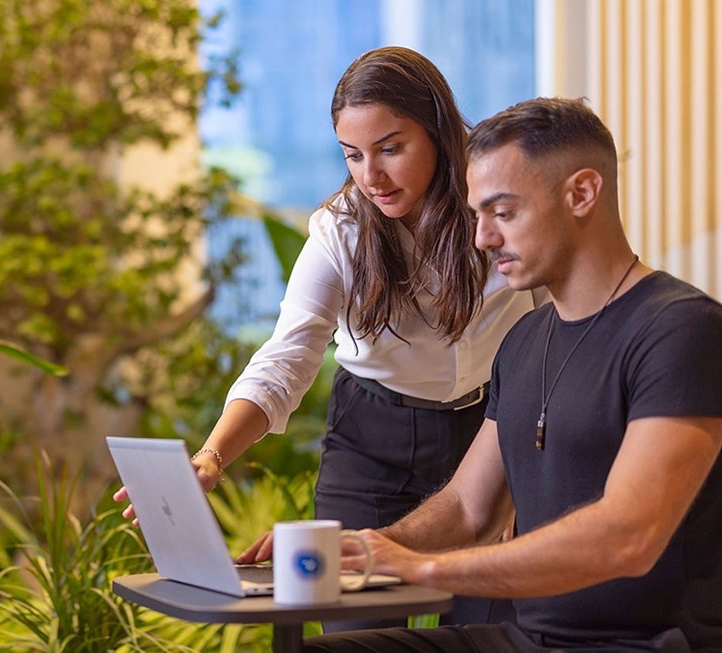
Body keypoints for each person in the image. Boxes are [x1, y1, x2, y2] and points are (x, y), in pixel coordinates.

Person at [242, 97, 722, 653]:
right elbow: (468, 507)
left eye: (503, 213)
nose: (482, 238)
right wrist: (367, 548)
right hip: (527, 638)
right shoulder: (524, 343)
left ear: (581, 193)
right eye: (477, 214)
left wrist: (423, 570)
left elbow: (627, 536)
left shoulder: (685, 332)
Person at [115, 45, 532, 629]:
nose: (372, 176)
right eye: (354, 155)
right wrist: (211, 456)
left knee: (485, 633)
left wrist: (523, 480)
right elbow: (288, 355)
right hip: (371, 444)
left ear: (438, 131)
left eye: (391, 149)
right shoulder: (340, 230)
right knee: (354, 635)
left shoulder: (496, 213)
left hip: (485, 435)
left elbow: (551, 337)